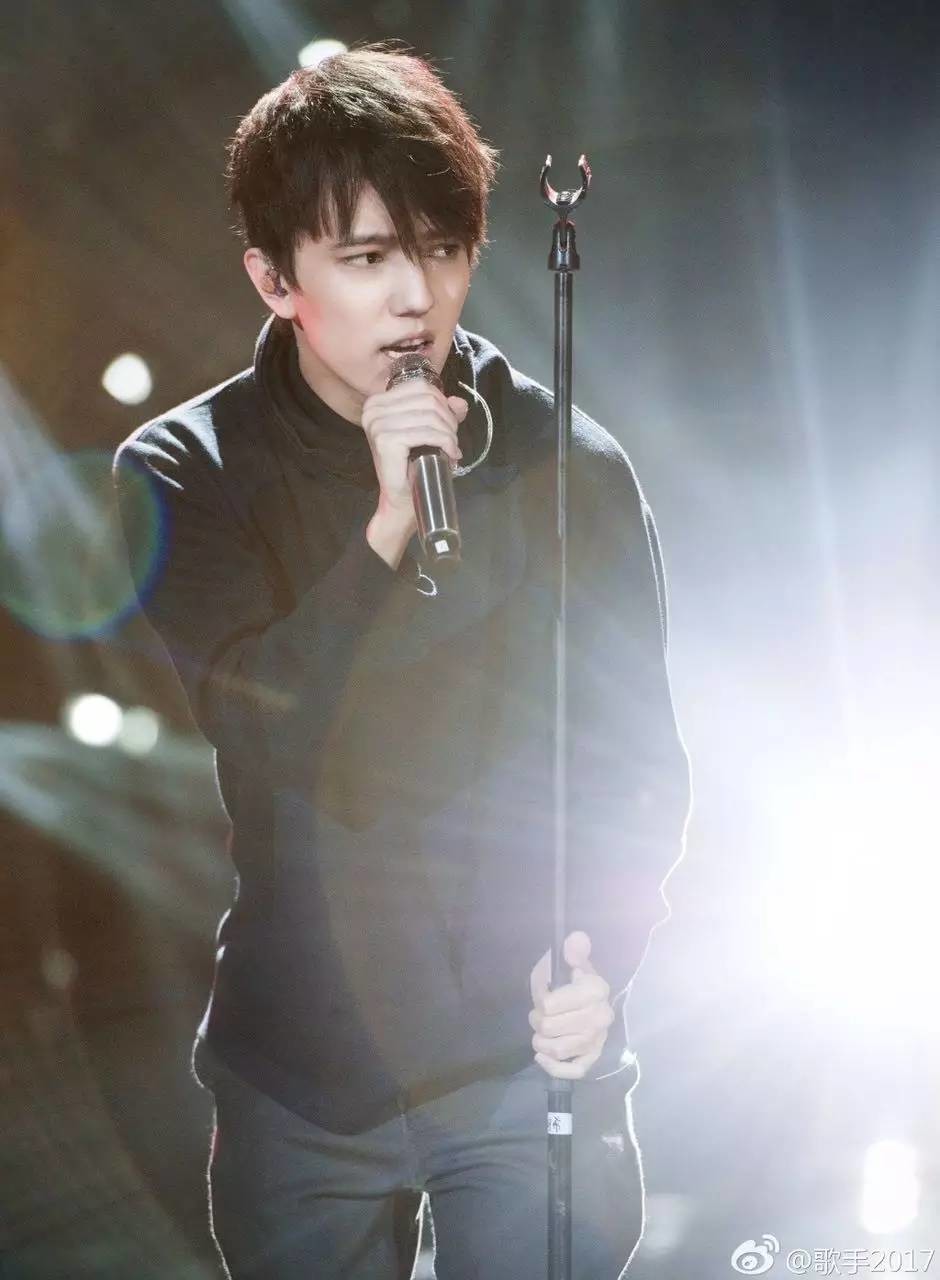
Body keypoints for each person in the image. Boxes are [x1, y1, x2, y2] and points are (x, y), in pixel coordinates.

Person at [112, 40, 692, 1280]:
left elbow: (639, 762)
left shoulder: (569, 464)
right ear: (275, 277)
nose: (416, 297)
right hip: (302, 1066)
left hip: (519, 1046)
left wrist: (604, 956)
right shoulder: (184, 471)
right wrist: (384, 532)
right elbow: (263, 732)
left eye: (442, 248)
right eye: (367, 258)